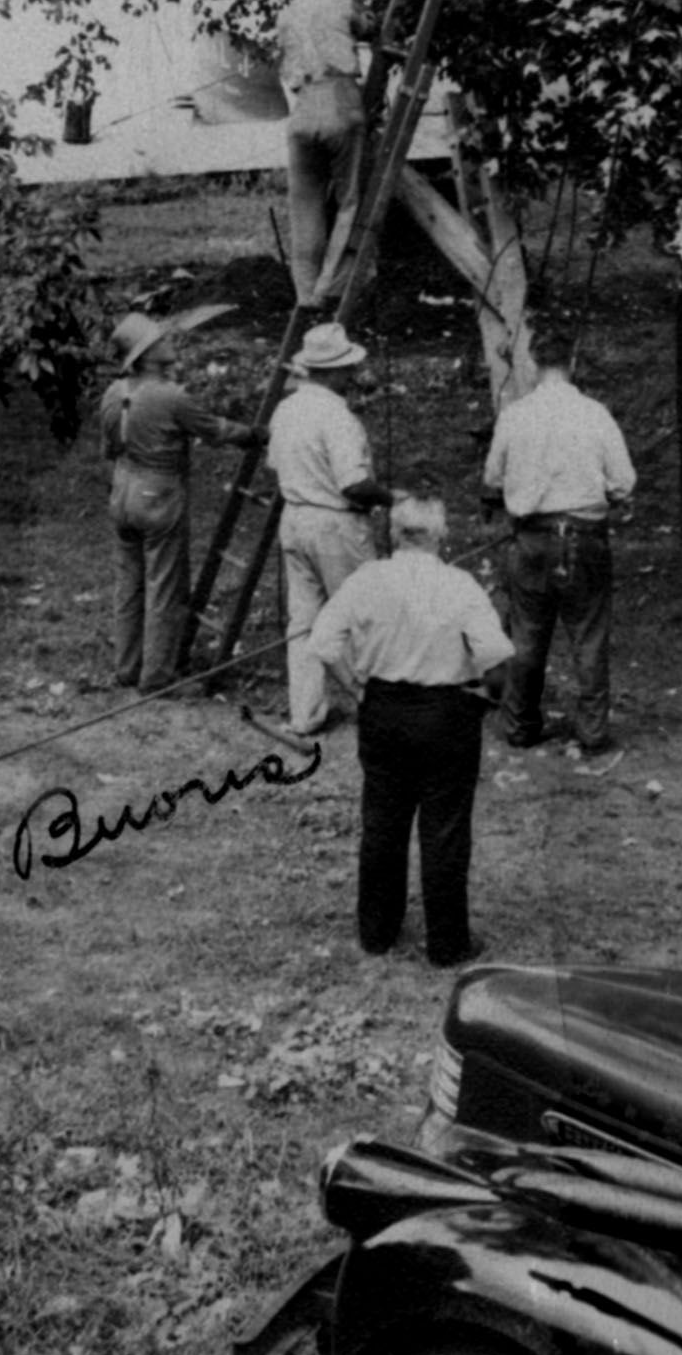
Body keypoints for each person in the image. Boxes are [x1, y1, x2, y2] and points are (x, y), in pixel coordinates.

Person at [309, 494, 511, 968]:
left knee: (383, 821)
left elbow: (323, 643)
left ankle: (376, 932)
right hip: (446, 713)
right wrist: (485, 701)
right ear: (441, 537)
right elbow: (497, 659)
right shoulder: (460, 585)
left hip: (384, 709)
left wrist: (356, 688)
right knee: (446, 830)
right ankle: (447, 943)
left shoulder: (367, 580)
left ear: (393, 534)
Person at [481, 320, 635, 769]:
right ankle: (593, 733)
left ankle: (521, 725)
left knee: (527, 634)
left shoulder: (515, 415)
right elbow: (624, 482)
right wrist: (604, 493)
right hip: (584, 538)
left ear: (532, 363)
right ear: (573, 361)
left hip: (531, 538)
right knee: (589, 634)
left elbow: (492, 478)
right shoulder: (595, 414)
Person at [98, 310, 257, 696]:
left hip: (122, 489)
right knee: (165, 585)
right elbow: (214, 429)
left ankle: (127, 666)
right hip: (158, 493)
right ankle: (157, 677)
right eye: (161, 340)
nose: (170, 343)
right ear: (147, 354)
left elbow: (107, 448)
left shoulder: (114, 393)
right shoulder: (171, 396)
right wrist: (253, 434)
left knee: (129, 583)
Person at [265, 319, 395, 737]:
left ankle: (305, 712)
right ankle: (378, 704)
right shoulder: (337, 416)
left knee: (304, 620)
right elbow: (353, 483)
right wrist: (392, 498)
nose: (352, 375)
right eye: (347, 368)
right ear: (334, 371)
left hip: (295, 517)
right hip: (335, 523)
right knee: (361, 613)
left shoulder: (286, 409)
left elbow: (274, 463)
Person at [273, 0, 377, 307]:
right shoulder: (341, 4)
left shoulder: (285, 15)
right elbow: (370, 27)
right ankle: (331, 289)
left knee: (304, 208)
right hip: (338, 101)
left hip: (302, 111)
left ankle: (306, 296)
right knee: (350, 203)